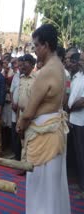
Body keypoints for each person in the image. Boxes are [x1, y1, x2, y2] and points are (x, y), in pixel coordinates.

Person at [16, 24, 70, 214]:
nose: (35, 50)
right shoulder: (60, 67)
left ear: (46, 45)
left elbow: (29, 112)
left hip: (43, 135)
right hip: (54, 132)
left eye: (36, 46)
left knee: (41, 187)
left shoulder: (45, 72)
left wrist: (20, 126)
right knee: (53, 187)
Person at [66, 51, 84, 199]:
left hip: (81, 122)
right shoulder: (78, 76)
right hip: (73, 120)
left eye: (82, 60)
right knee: (75, 153)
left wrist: (70, 107)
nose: (80, 62)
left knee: (82, 154)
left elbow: (83, 101)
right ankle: (79, 182)